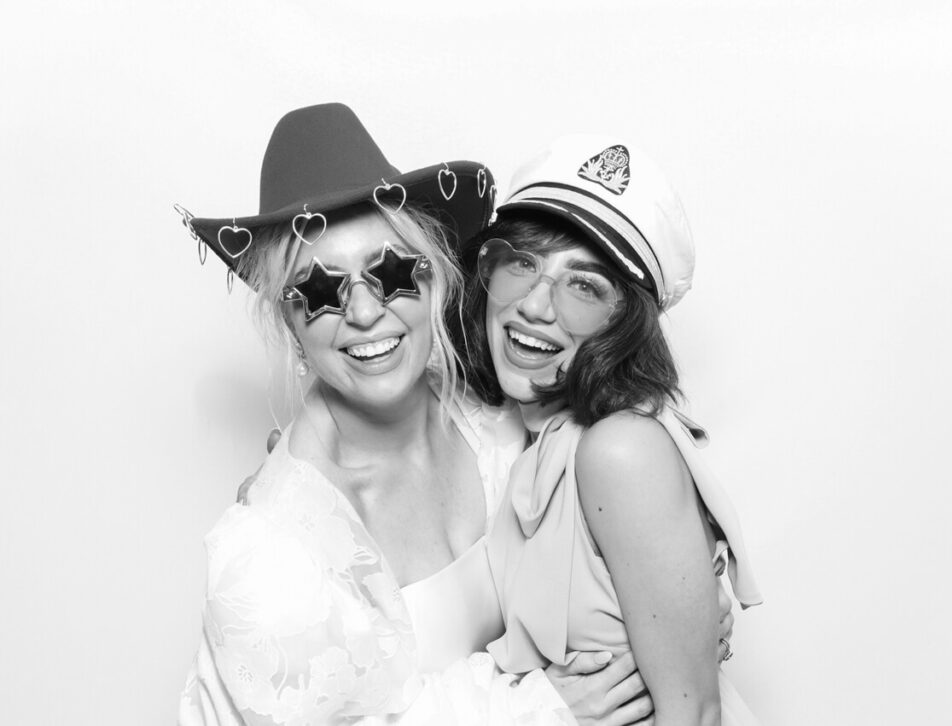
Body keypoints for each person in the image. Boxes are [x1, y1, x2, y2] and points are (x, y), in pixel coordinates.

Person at [175, 104, 661, 725]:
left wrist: (675, 602)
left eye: (391, 270)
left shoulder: (501, 420)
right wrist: (536, 709)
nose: (362, 312)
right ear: (290, 325)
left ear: (438, 280)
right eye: (319, 291)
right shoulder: (274, 560)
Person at [455, 136, 764, 725]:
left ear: (625, 324)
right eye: (524, 263)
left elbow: (694, 711)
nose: (536, 307)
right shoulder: (534, 441)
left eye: (584, 285)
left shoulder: (618, 450)